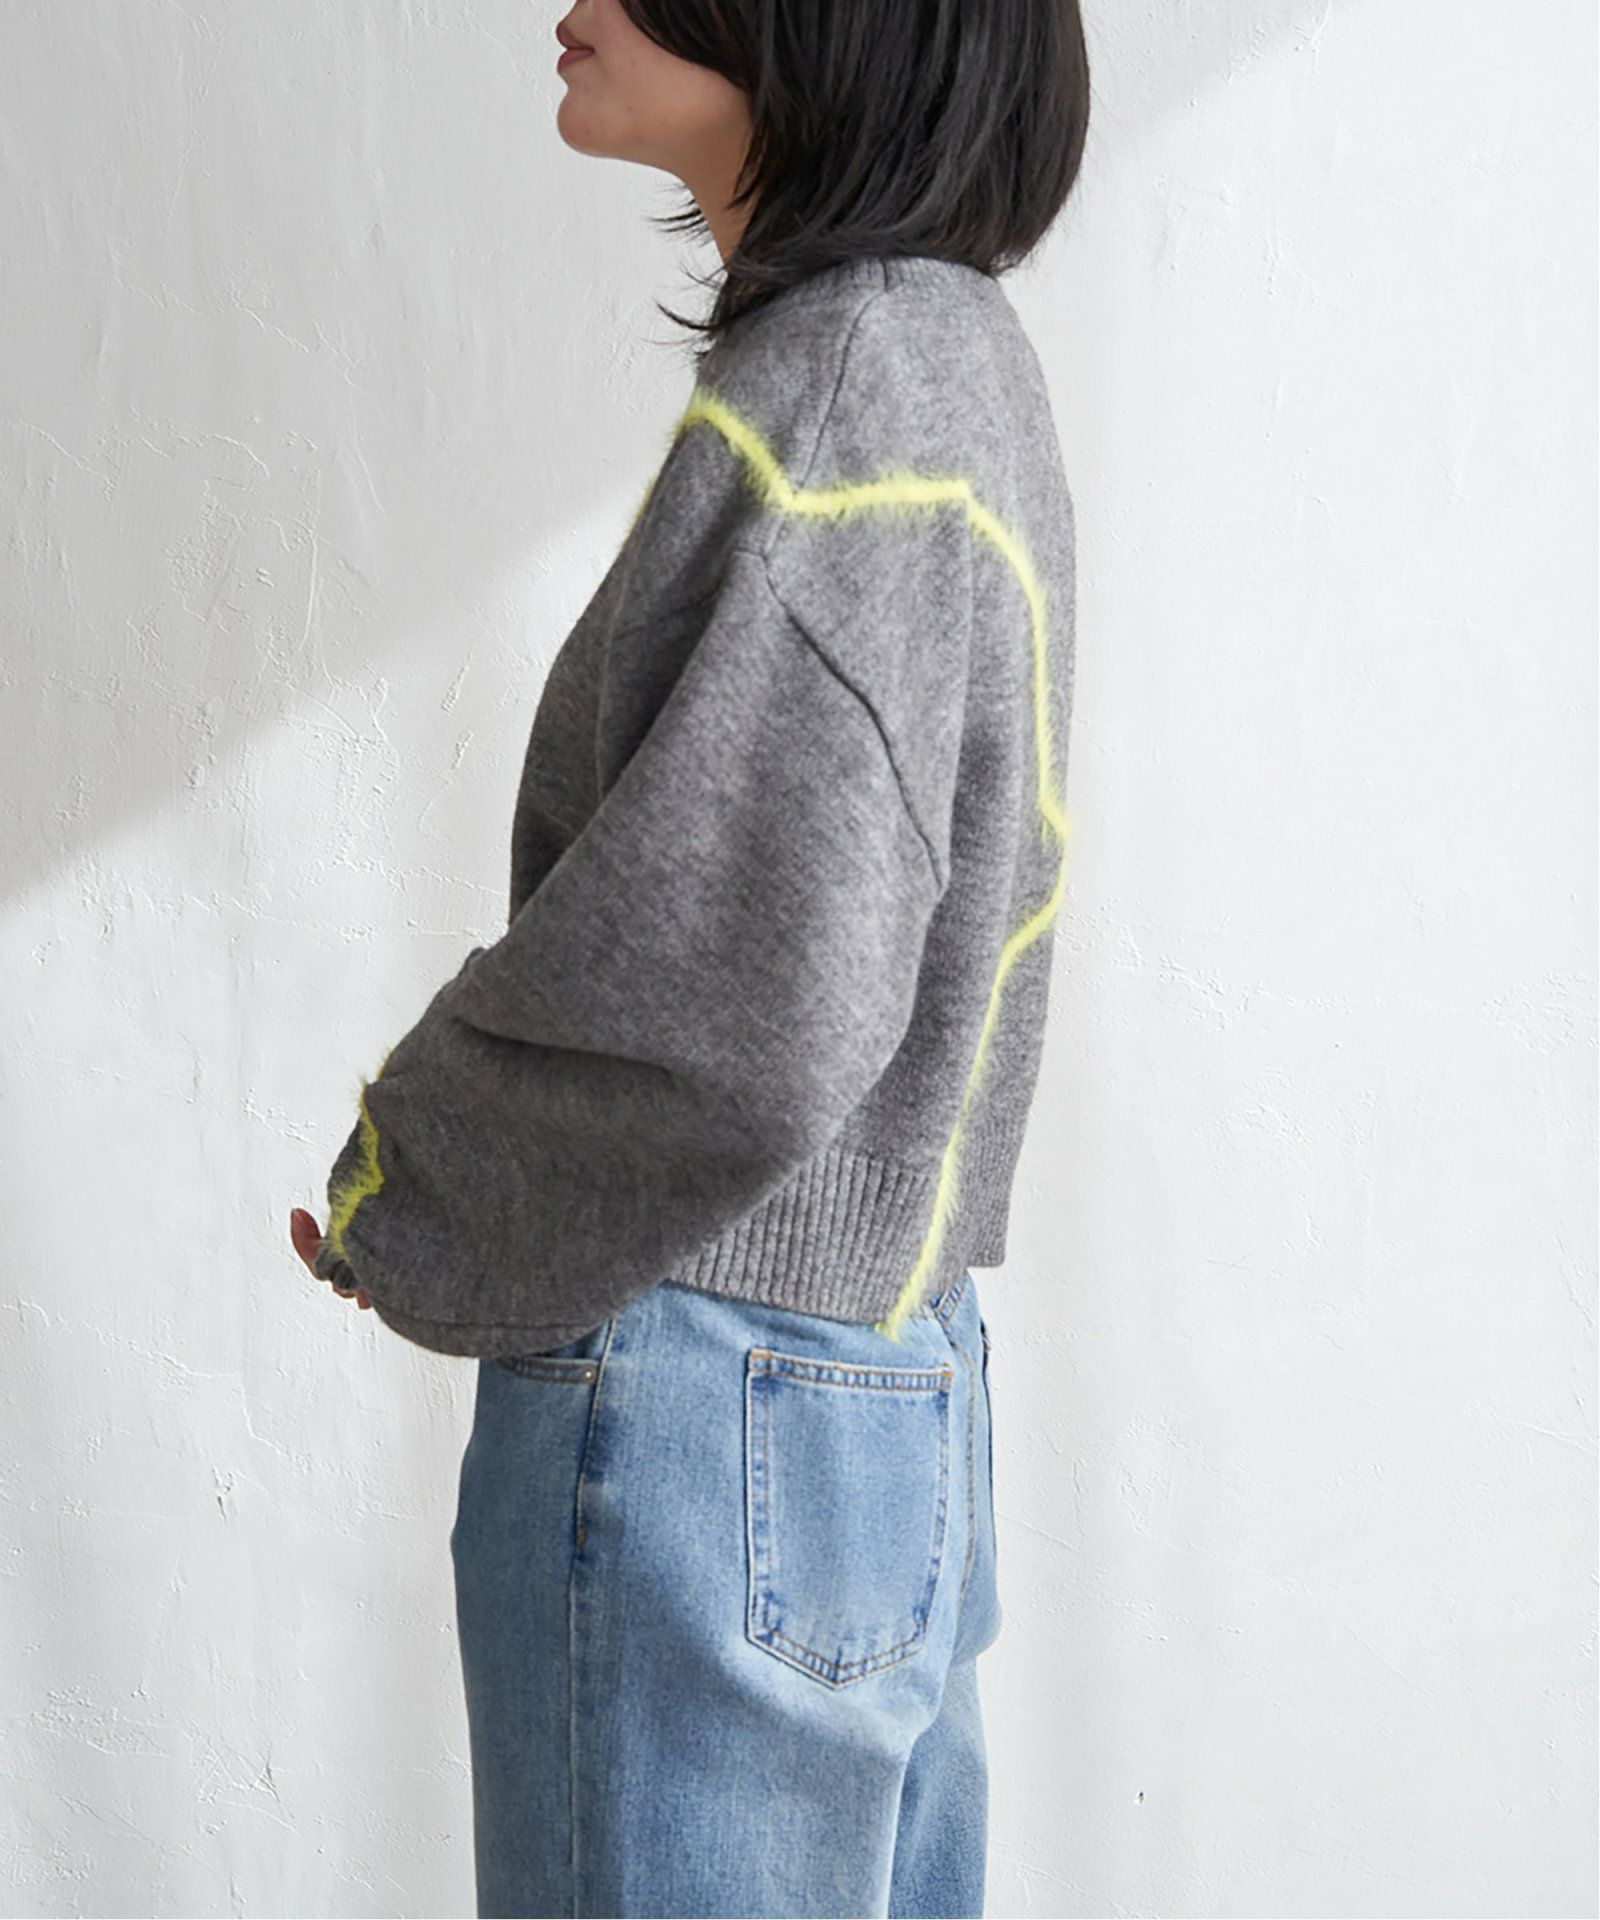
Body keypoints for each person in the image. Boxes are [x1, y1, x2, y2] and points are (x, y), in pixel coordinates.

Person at [290, 1, 1088, 1912]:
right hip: (878, 1376)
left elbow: (748, 987)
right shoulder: (953, 362)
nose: (577, 4)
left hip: (712, 1391)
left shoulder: (851, 386)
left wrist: (415, 1178)